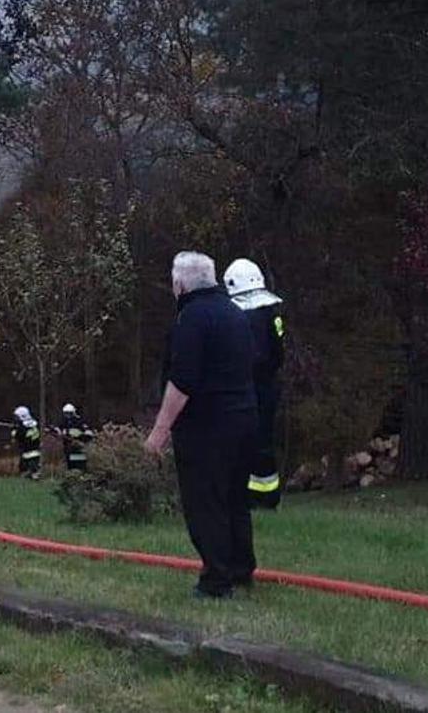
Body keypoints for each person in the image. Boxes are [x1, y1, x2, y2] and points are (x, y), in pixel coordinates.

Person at [143, 251, 257, 599]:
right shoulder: (237, 315)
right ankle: (240, 567)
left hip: (206, 427)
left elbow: (183, 381)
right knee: (235, 498)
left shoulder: (191, 318)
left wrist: (159, 433)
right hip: (244, 418)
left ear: (179, 283)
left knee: (204, 501)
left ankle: (216, 580)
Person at [224, 258, 286, 510]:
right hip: (268, 387)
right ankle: (267, 497)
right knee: (263, 441)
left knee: (243, 442)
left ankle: (248, 497)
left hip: (245, 389)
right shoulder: (272, 315)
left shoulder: (238, 318)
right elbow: (277, 354)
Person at [56, 403, 92, 472]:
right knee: (70, 463)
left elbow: (89, 433)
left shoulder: (80, 421)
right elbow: (59, 429)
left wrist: (81, 438)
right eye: (66, 413)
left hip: (79, 446)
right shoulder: (64, 421)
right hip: (68, 447)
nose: (68, 415)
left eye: (69, 413)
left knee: (80, 463)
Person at [12, 406, 42, 479]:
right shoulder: (36, 423)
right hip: (36, 450)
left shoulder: (22, 427)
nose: (16, 419)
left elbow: (18, 436)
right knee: (34, 469)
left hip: (26, 452)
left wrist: (14, 431)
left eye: (17, 417)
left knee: (25, 470)